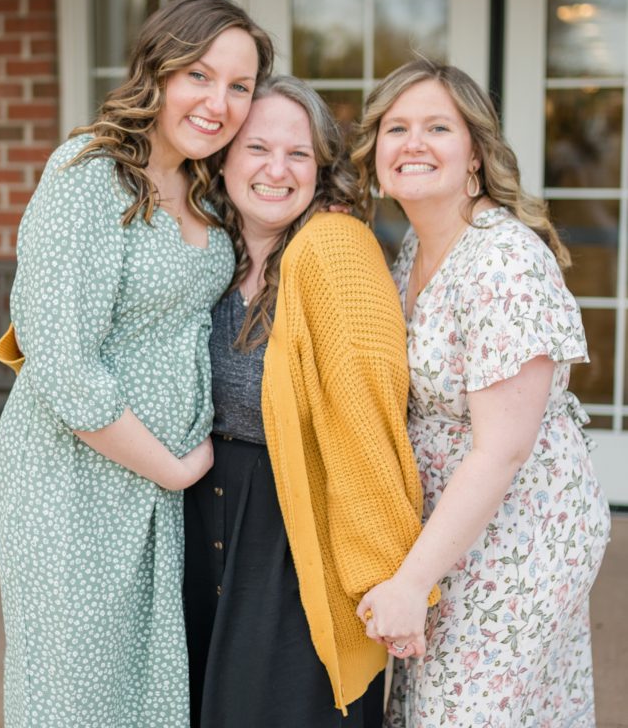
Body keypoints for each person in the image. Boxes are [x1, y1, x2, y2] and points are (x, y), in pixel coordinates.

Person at [0, 0, 273, 728]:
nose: (218, 103)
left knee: (145, 684)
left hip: (158, 486)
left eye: (239, 86)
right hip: (73, 474)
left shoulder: (204, 181)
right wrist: (171, 467)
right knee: (77, 690)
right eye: (199, 75)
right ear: (159, 68)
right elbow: (59, 357)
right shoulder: (88, 174)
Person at [352, 58, 611, 728]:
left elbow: (501, 451)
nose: (412, 142)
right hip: (454, 533)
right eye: (396, 128)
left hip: (521, 534)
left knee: (464, 714)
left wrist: (411, 583)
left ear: (475, 152)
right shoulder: (416, 245)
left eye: (437, 127)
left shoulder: (502, 262)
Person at [183, 75, 440, 728]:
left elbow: (367, 422)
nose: (276, 170)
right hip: (200, 518)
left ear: (321, 167)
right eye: (256, 148)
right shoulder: (208, 247)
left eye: (297, 154)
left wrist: (389, 578)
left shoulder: (334, 250)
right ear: (224, 158)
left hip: (290, 531)